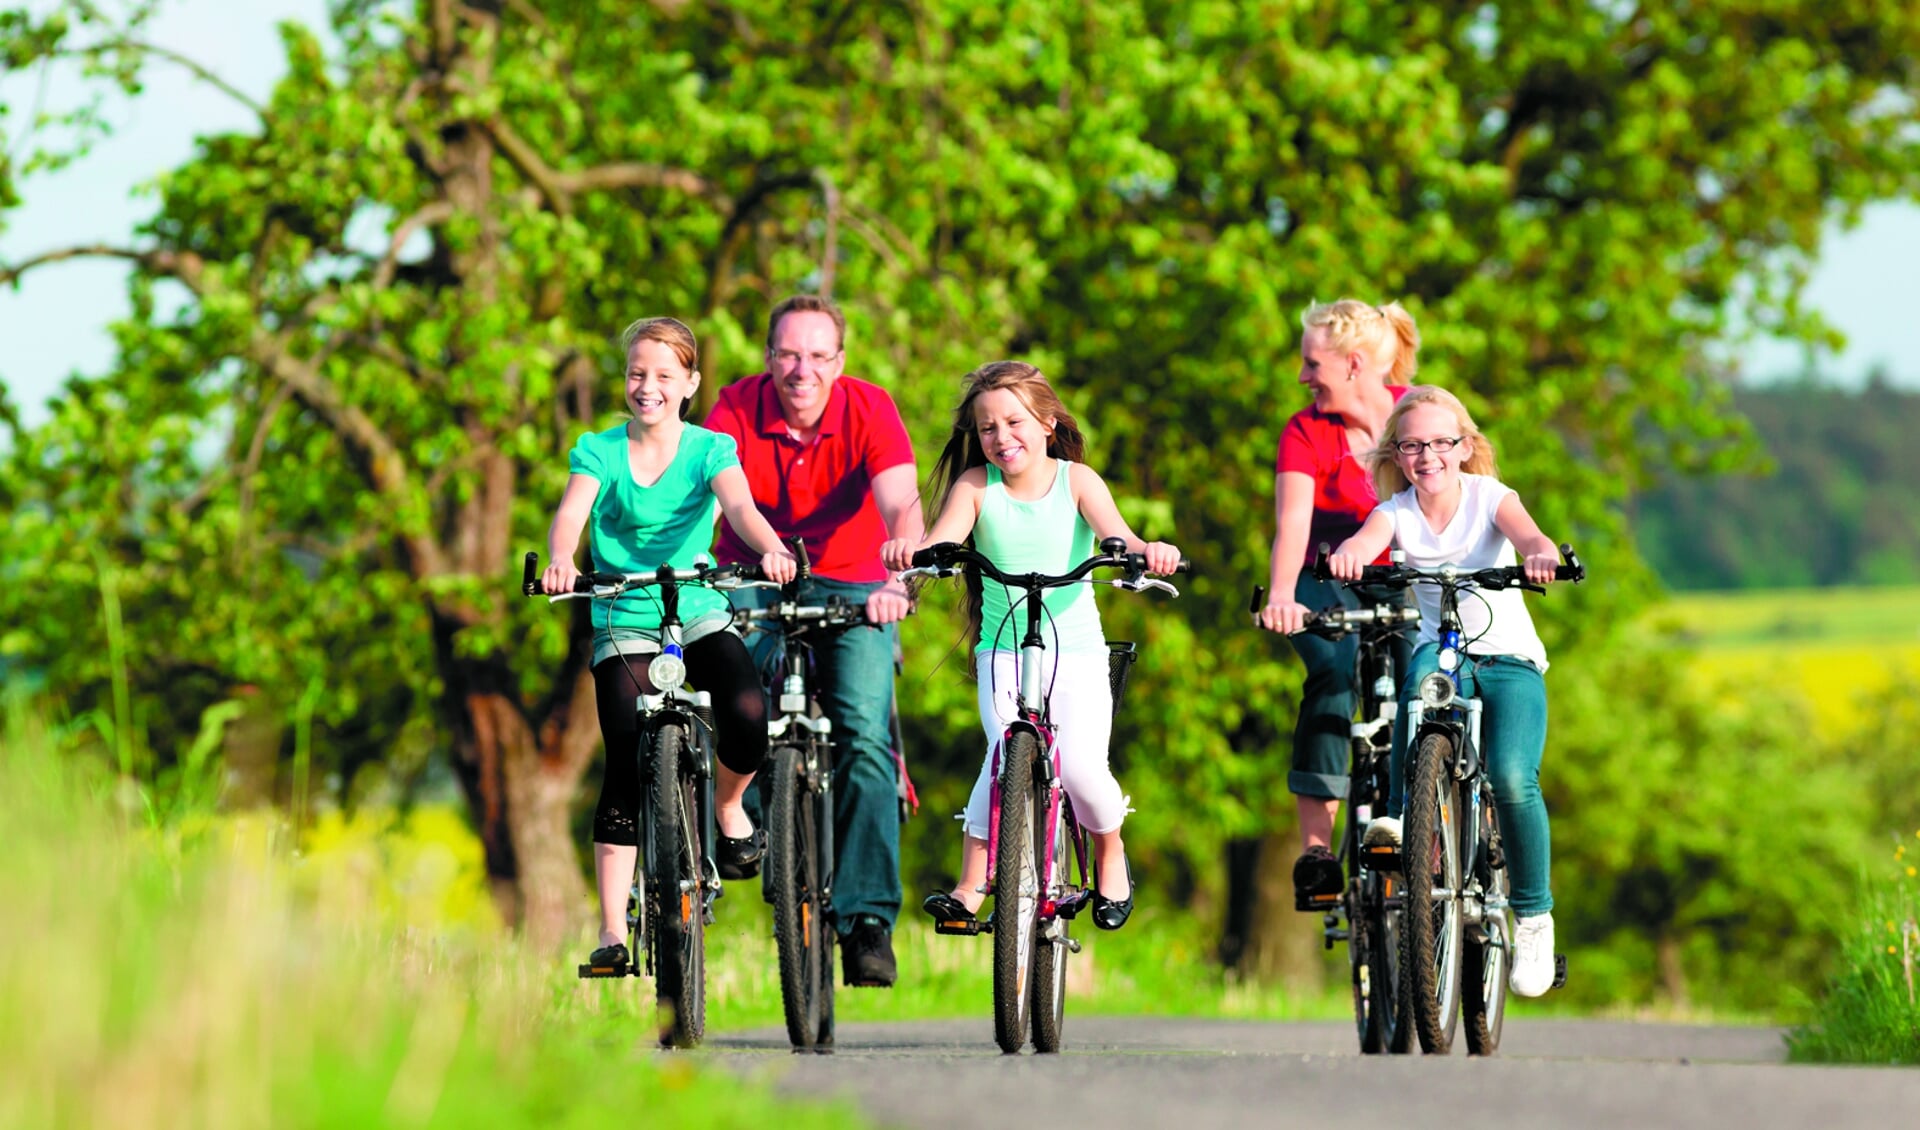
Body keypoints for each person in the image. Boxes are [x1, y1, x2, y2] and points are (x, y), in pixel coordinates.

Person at [881, 361, 1181, 933]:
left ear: (1047, 422)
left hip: (1077, 654)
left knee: (1086, 771)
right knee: (1001, 756)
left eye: (1014, 422)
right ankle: (971, 885)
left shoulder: (1077, 481)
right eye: (987, 428)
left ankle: (1110, 851)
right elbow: (943, 538)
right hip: (1003, 652)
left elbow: (1119, 533)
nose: (1001, 438)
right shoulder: (976, 487)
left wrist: (1148, 550)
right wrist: (916, 556)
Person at [541, 316, 798, 971]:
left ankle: (729, 806)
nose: (646, 386)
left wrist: (769, 550)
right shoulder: (598, 449)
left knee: (746, 712)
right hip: (622, 617)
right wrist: (561, 557)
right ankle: (610, 932)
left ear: (690, 382)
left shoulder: (710, 449)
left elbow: (738, 508)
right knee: (625, 763)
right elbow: (572, 512)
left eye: (662, 375)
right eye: (635, 374)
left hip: (698, 609)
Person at [704, 294, 925, 987]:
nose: (803, 370)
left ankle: (866, 922)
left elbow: (901, 503)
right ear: (769, 358)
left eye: (818, 356)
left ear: (840, 362)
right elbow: (706, 492)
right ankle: (752, 823)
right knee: (738, 699)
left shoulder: (870, 408)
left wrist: (903, 573)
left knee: (861, 729)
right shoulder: (735, 408)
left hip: (857, 580)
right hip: (751, 572)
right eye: (789, 355)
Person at [1326, 384, 1563, 997]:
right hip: (1446, 653)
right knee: (1415, 692)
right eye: (1411, 445)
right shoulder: (1397, 511)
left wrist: (1539, 555)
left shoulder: (1490, 497)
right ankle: (1409, 819)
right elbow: (1365, 540)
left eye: (1439, 442)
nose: (1426, 455)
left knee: (1512, 777)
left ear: (1463, 447)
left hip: (1507, 658)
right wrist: (1350, 557)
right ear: (1397, 455)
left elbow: (1531, 537)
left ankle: (1534, 918)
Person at [1256, 299, 1422, 905]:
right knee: (1332, 670)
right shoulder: (1306, 431)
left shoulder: (1419, 413)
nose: (1303, 377)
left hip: (1406, 575)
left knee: (1426, 683)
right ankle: (1318, 852)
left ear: (1353, 364)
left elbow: (1470, 490)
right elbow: (1293, 521)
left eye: (1311, 364)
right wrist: (1280, 596)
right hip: (1321, 578)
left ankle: (1421, 821)